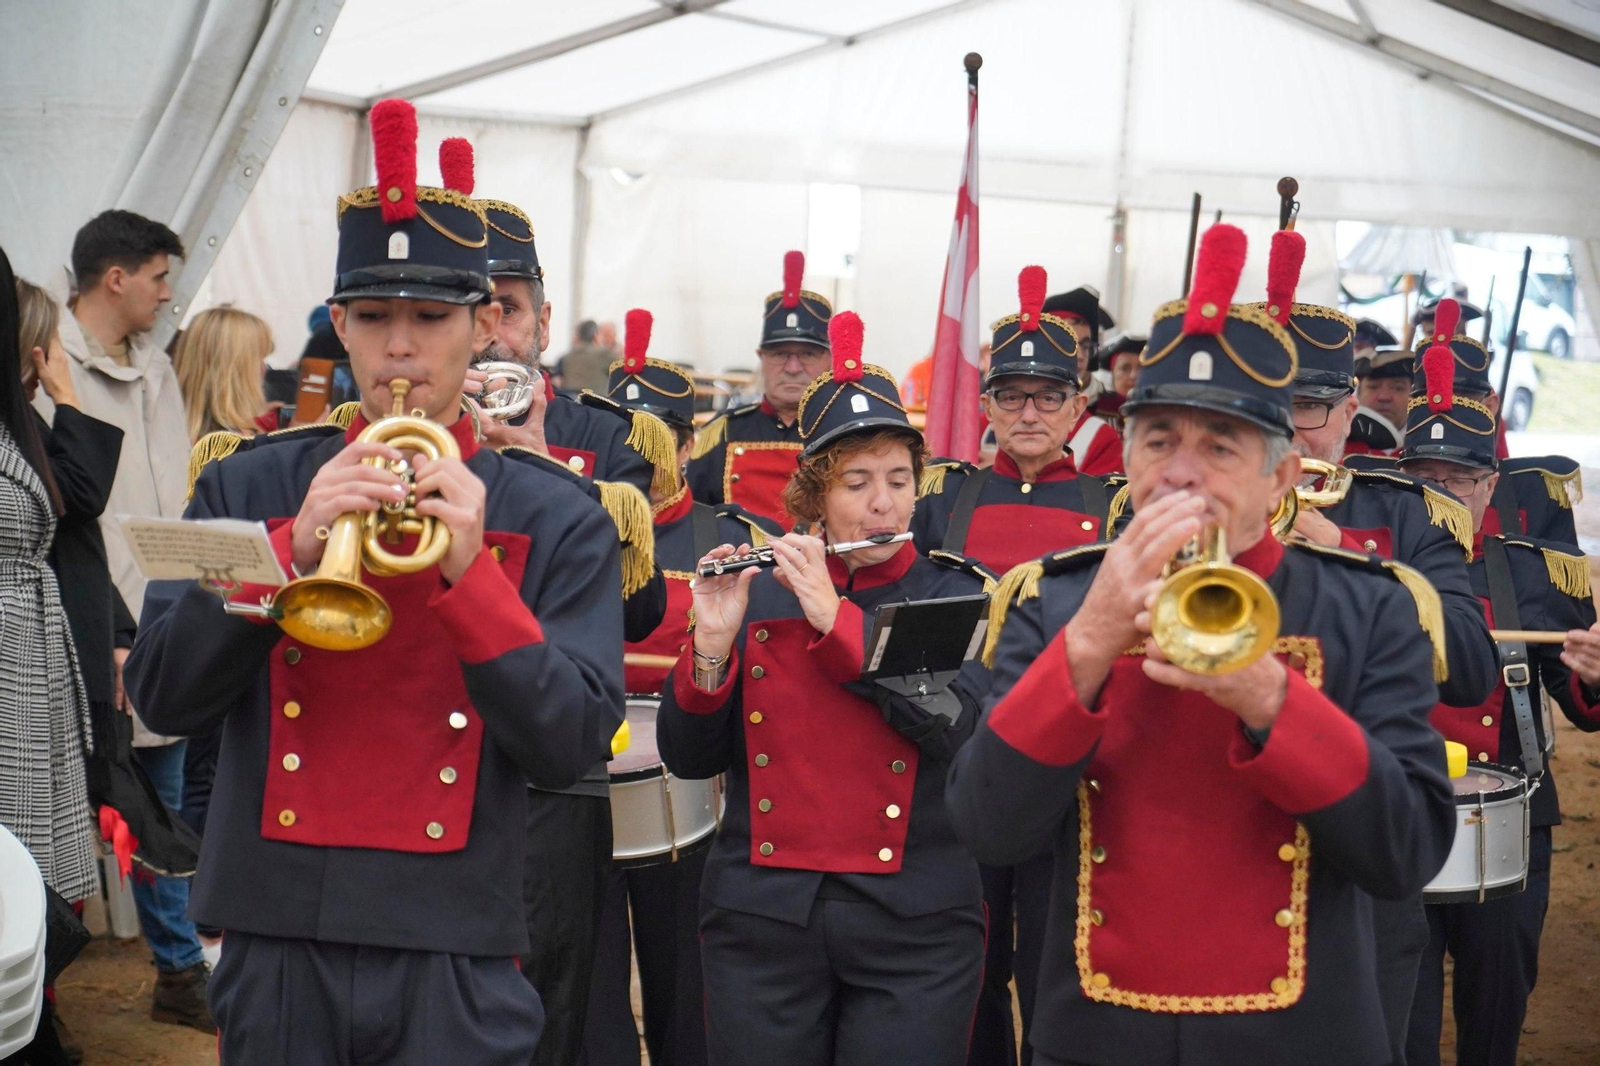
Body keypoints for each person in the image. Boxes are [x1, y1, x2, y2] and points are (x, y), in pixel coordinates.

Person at [124, 98, 624, 1065]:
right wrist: (284, 553)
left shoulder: (559, 512)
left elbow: (570, 747)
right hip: (277, 923)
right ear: (339, 331)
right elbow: (162, 694)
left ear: (483, 330)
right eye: (374, 318)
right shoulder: (249, 481)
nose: (402, 348)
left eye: (432, 318)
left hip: (458, 935)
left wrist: (474, 575)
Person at [946, 223, 1456, 1066]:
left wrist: (1269, 698)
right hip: (1098, 1037)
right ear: (1127, 460)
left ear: (1282, 477)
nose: (1181, 473)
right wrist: (1089, 644)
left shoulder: (1373, 611)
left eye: (1219, 447)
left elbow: (1405, 854)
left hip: (1302, 1040)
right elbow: (986, 826)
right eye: (1158, 441)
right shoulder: (1055, 600)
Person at [659, 311, 991, 1066]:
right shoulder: (759, 591)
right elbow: (689, 756)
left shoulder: (954, 594)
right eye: (858, 482)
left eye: (899, 480)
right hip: (763, 919)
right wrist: (710, 646)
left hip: (917, 922)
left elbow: (961, 736)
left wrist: (840, 623)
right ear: (813, 496)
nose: (884, 505)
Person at [1256, 256, 1496, 1066]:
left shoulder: (1409, 514)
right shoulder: (1162, 502)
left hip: (1362, 842)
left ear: (1352, 411)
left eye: (1311, 408)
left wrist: (1348, 555)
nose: (1289, 430)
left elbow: (1469, 667)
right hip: (1224, 836)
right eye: (1264, 406)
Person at [913, 266, 1114, 1066]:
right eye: (1013, 396)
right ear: (987, 405)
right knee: (971, 962)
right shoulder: (940, 501)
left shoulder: (1117, 503)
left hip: (1076, 770)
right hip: (962, 760)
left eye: (1049, 396)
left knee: (1060, 962)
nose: (1030, 413)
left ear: (1079, 406)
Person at [1394, 336, 1600, 1066]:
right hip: (1399, 814)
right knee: (1400, 1021)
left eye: (1463, 477)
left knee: (1495, 1016)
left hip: (1513, 815)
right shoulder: (1364, 569)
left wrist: (1595, 672)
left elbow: (1579, 701)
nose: (1445, 492)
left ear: (1491, 487)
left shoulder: (1533, 573)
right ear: (1400, 481)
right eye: (1426, 475)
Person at [582, 310, 779, 1066]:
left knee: (688, 993)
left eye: (658, 434)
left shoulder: (737, 539)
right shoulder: (569, 523)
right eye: (623, 431)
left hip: (690, 795)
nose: (638, 449)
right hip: (579, 788)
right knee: (587, 995)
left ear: (690, 445)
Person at [34, 207, 213, 1030]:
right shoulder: (43, 370)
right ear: (117, 278)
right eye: (158, 277)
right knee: (71, 805)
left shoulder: (159, 369)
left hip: (165, 607)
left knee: (164, 794)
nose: (167, 294)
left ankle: (178, 969)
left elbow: (174, 490)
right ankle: (43, 988)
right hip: (85, 622)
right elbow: (65, 512)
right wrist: (103, 621)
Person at [1, 251, 100, 1066]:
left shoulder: (15, 421)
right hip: (12, 675)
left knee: (31, 882)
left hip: (30, 671)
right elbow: (81, 496)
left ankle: (34, 1013)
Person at [465, 173, 670, 495]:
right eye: (468, 313)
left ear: (543, 325)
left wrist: (541, 466)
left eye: (506, 311)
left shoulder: (611, 436)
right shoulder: (399, 424)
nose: (488, 335)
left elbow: (623, 544)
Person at [685, 250, 832, 526]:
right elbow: (695, 520)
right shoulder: (723, 432)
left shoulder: (846, 434)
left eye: (807, 355)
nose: (792, 367)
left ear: (830, 360)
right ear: (761, 358)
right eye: (779, 354)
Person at [1041, 285, 1121, 475]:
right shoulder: (998, 416)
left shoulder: (1117, 409)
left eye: (1085, 345)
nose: (1078, 355)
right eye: (1066, 344)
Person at [171, 306, 275, 440]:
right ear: (234, 371)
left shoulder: (164, 426)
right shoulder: (235, 447)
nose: (264, 369)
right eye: (257, 360)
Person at [558, 319, 612, 395]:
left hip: (571, 402)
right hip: (596, 403)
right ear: (595, 335)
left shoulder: (566, 357)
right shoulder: (604, 355)